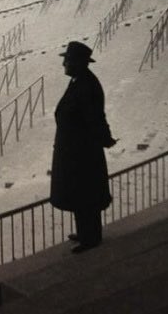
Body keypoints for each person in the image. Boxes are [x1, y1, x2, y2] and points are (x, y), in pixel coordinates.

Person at [50, 41, 117, 253]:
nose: (64, 64)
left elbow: (96, 117)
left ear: (78, 63)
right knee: (80, 194)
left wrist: (105, 138)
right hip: (75, 152)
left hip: (83, 153)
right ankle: (85, 232)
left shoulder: (86, 86)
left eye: (67, 60)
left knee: (85, 194)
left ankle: (91, 238)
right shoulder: (80, 81)